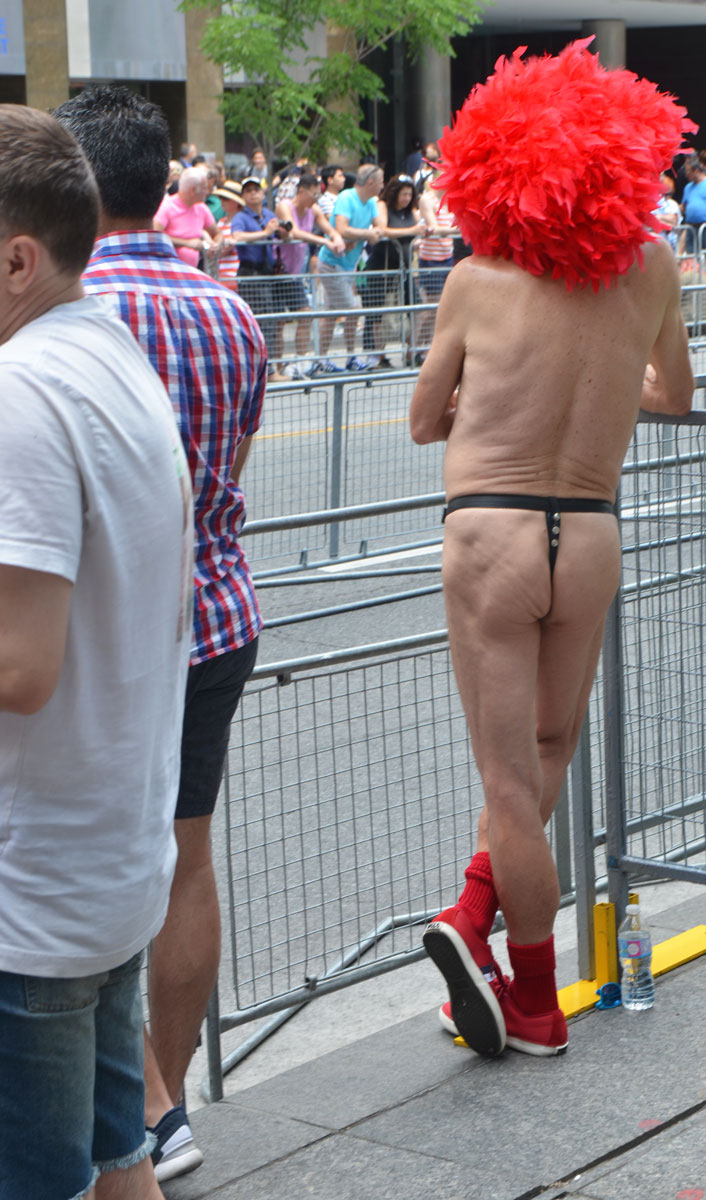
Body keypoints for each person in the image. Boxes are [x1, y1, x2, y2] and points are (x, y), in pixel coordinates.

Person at [410, 39, 694, 1060]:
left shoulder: (477, 280)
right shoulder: (652, 270)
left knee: (506, 781)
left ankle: (533, 1002)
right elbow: (676, 394)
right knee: (546, 757)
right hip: (592, 528)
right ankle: (473, 915)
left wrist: (490, 406)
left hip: (493, 526)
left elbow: (422, 419)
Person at [54, 85, 267, 1182]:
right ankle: (165, 1102)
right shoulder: (231, 312)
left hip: (102, 635)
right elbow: (228, 475)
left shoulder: (66, 315)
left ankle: (132, 1110)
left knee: (77, 864)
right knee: (186, 858)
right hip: (218, 614)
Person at [0, 104, 193, 1200]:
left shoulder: (20, 389)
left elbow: (19, 667)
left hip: (30, 896)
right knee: (123, 1158)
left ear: (17, 258)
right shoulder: (108, 348)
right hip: (108, 866)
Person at [315, 162, 385, 373]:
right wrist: (366, 234)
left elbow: (380, 227)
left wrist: (365, 235)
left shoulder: (371, 202)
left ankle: (322, 359)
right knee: (353, 310)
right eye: (381, 181)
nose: (383, 185)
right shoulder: (346, 197)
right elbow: (342, 229)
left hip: (348, 265)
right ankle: (350, 357)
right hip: (332, 263)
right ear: (371, 182)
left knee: (331, 314)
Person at [275, 172, 345, 377]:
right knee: (279, 322)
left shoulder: (313, 209)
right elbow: (294, 232)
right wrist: (324, 241)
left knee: (305, 314)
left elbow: (328, 227)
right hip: (278, 271)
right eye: (313, 194)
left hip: (296, 273)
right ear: (301, 191)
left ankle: (301, 360)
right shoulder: (284, 206)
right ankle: (277, 367)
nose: (316, 199)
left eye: (318, 195)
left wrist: (335, 237)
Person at [363, 174, 426, 368]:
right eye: (403, 194)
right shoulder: (383, 206)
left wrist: (420, 235)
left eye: (409, 194)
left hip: (404, 268)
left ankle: (411, 352)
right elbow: (383, 229)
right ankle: (378, 356)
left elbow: (421, 228)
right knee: (377, 312)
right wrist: (412, 231)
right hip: (382, 266)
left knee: (418, 308)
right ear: (394, 193)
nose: (406, 198)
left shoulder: (411, 212)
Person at [232, 173, 288, 380]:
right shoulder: (240, 217)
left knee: (270, 322)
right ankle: (263, 371)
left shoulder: (268, 214)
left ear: (263, 193)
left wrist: (283, 232)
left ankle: (268, 369)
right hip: (251, 273)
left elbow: (281, 234)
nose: (253, 194)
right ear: (243, 196)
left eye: (256, 190)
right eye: (248, 191)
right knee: (258, 322)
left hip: (268, 273)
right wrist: (264, 233)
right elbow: (237, 236)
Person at [415, 157, 460, 362]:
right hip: (431, 259)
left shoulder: (451, 199)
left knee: (442, 307)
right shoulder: (428, 199)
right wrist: (457, 230)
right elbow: (434, 228)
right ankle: (416, 347)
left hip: (446, 256)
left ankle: (427, 347)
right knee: (432, 306)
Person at [154, 166, 222, 268]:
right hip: (168, 270)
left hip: (191, 271)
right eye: (204, 188)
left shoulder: (201, 207)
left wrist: (216, 244)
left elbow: (217, 233)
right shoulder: (167, 206)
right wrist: (186, 243)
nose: (207, 192)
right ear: (193, 190)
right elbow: (154, 236)